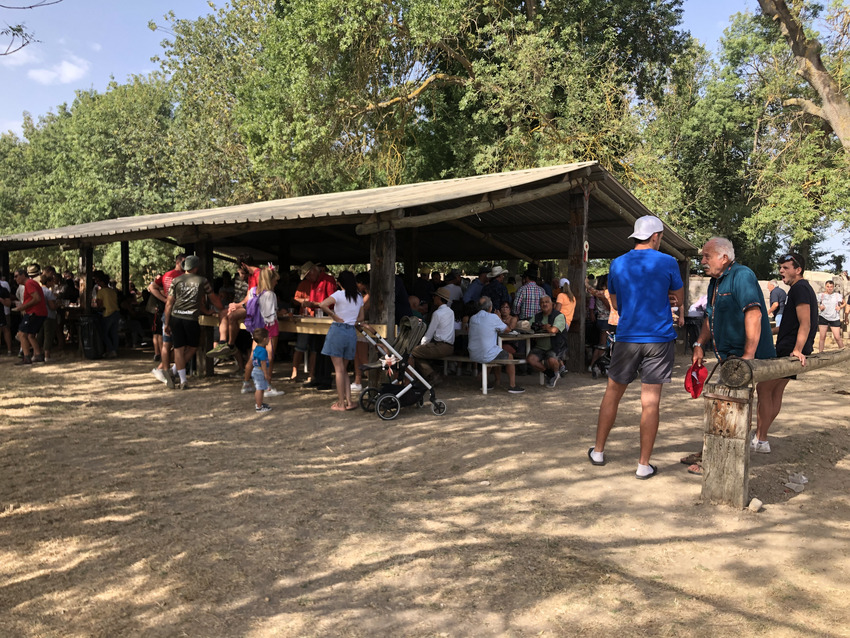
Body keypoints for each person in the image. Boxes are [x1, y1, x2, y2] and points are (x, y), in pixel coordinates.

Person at [588, 215, 684, 479]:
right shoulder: (668, 262)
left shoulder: (618, 263)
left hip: (628, 336)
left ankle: (598, 451)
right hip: (658, 338)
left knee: (612, 392)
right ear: (656, 237)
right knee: (650, 403)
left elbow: (616, 304)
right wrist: (663, 295)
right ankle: (643, 465)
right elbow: (678, 299)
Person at [688, 238, 776, 473]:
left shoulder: (742, 275)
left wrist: (748, 355)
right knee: (722, 405)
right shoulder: (715, 282)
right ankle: (711, 452)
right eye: (702, 257)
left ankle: (716, 461)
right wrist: (699, 343)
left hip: (744, 358)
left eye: (707, 256)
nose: (703, 261)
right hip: (728, 358)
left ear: (724, 257)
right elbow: (709, 316)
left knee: (727, 407)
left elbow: (754, 314)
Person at [748, 252, 817, 452]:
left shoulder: (800, 289)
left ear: (798, 269)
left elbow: (806, 323)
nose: (781, 271)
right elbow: (794, 324)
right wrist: (770, 330)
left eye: (786, 267)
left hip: (790, 350)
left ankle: (761, 438)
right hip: (790, 346)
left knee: (764, 388)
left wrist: (797, 349)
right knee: (775, 391)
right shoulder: (800, 289)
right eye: (780, 267)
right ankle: (762, 438)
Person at [163, 255, 223, 390]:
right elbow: (212, 298)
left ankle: (178, 376)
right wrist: (222, 310)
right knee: (193, 347)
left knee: (178, 348)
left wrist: (167, 323)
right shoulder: (202, 281)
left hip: (176, 317)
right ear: (196, 267)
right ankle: (177, 375)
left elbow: (169, 303)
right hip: (191, 319)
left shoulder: (176, 281)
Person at [319, 270, 365, 411]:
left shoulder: (338, 295)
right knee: (344, 369)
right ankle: (349, 401)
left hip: (338, 330)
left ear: (339, 283)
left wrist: (334, 315)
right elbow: (361, 318)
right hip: (351, 332)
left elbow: (322, 304)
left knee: (338, 370)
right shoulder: (358, 297)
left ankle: (341, 403)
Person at [240, 267, 285, 398]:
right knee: (269, 357)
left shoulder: (253, 291)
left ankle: (246, 383)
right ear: (270, 280)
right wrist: (280, 313)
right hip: (269, 327)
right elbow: (270, 315)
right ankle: (268, 387)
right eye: (275, 280)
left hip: (256, 327)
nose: (276, 283)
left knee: (253, 356)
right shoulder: (270, 294)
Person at [467, 296, 525, 394]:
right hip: (486, 353)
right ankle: (512, 386)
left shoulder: (473, 318)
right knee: (509, 356)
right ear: (490, 307)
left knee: (494, 352)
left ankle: (485, 381)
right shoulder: (493, 317)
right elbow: (507, 330)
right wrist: (498, 317)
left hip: (473, 354)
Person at [208, 253, 259, 357]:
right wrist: (236, 305)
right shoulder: (251, 276)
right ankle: (222, 343)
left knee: (232, 316)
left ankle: (231, 345)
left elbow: (253, 297)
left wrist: (238, 306)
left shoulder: (258, 274)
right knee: (223, 312)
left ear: (243, 265)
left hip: (255, 306)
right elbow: (247, 296)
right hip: (247, 304)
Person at [149, 253, 185, 383]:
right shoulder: (183, 276)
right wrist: (165, 300)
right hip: (178, 311)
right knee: (178, 344)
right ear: (178, 262)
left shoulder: (166, 275)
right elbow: (152, 287)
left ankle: (165, 370)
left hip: (167, 311)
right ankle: (168, 371)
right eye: (184, 262)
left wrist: (164, 300)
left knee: (167, 343)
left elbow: (152, 287)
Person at [409, 287, 454, 384]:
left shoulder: (437, 313)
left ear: (438, 298)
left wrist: (422, 345)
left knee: (412, 351)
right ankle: (430, 374)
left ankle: (431, 375)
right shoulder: (451, 312)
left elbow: (430, 333)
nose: (433, 298)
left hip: (440, 346)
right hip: (449, 346)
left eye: (435, 296)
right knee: (418, 352)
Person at [526, 295, 567, 388]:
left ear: (552, 304)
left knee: (551, 360)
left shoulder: (559, 316)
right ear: (539, 305)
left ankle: (556, 373)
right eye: (542, 302)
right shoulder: (537, 316)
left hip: (555, 346)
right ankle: (550, 374)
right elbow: (527, 326)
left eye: (546, 302)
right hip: (540, 347)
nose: (544, 304)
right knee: (530, 360)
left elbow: (554, 330)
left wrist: (547, 327)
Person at [13, 267, 48, 365]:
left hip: (34, 312)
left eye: (16, 276)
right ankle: (38, 355)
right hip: (39, 312)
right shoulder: (31, 283)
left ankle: (26, 357)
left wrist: (22, 307)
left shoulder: (29, 283)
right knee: (30, 335)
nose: (15, 279)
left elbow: (37, 298)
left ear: (23, 275)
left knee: (21, 334)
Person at [586, 274, 612, 377]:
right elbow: (610, 308)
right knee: (602, 346)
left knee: (603, 345)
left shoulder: (599, 293)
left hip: (601, 319)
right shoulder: (604, 294)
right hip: (605, 320)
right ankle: (593, 365)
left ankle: (596, 365)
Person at [93, 271, 120, 358]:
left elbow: (99, 304)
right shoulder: (112, 291)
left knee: (104, 333)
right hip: (116, 312)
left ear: (101, 282)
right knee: (114, 333)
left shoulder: (101, 292)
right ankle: (114, 350)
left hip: (107, 313)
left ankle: (111, 349)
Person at [816, 280, 845, 352]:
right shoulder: (821, 295)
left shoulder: (837, 295)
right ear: (825, 287)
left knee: (837, 337)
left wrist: (840, 307)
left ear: (833, 287)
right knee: (822, 337)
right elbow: (814, 303)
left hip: (834, 317)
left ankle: (843, 352)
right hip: (823, 317)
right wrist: (819, 306)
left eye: (831, 287)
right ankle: (820, 353)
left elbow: (844, 303)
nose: (829, 288)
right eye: (828, 286)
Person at [250, 327, 273, 413]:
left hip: (255, 370)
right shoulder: (263, 351)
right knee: (260, 388)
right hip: (260, 371)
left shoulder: (256, 349)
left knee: (260, 388)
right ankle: (259, 406)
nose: (269, 340)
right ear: (264, 339)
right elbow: (263, 363)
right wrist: (266, 374)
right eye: (268, 338)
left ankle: (259, 403)